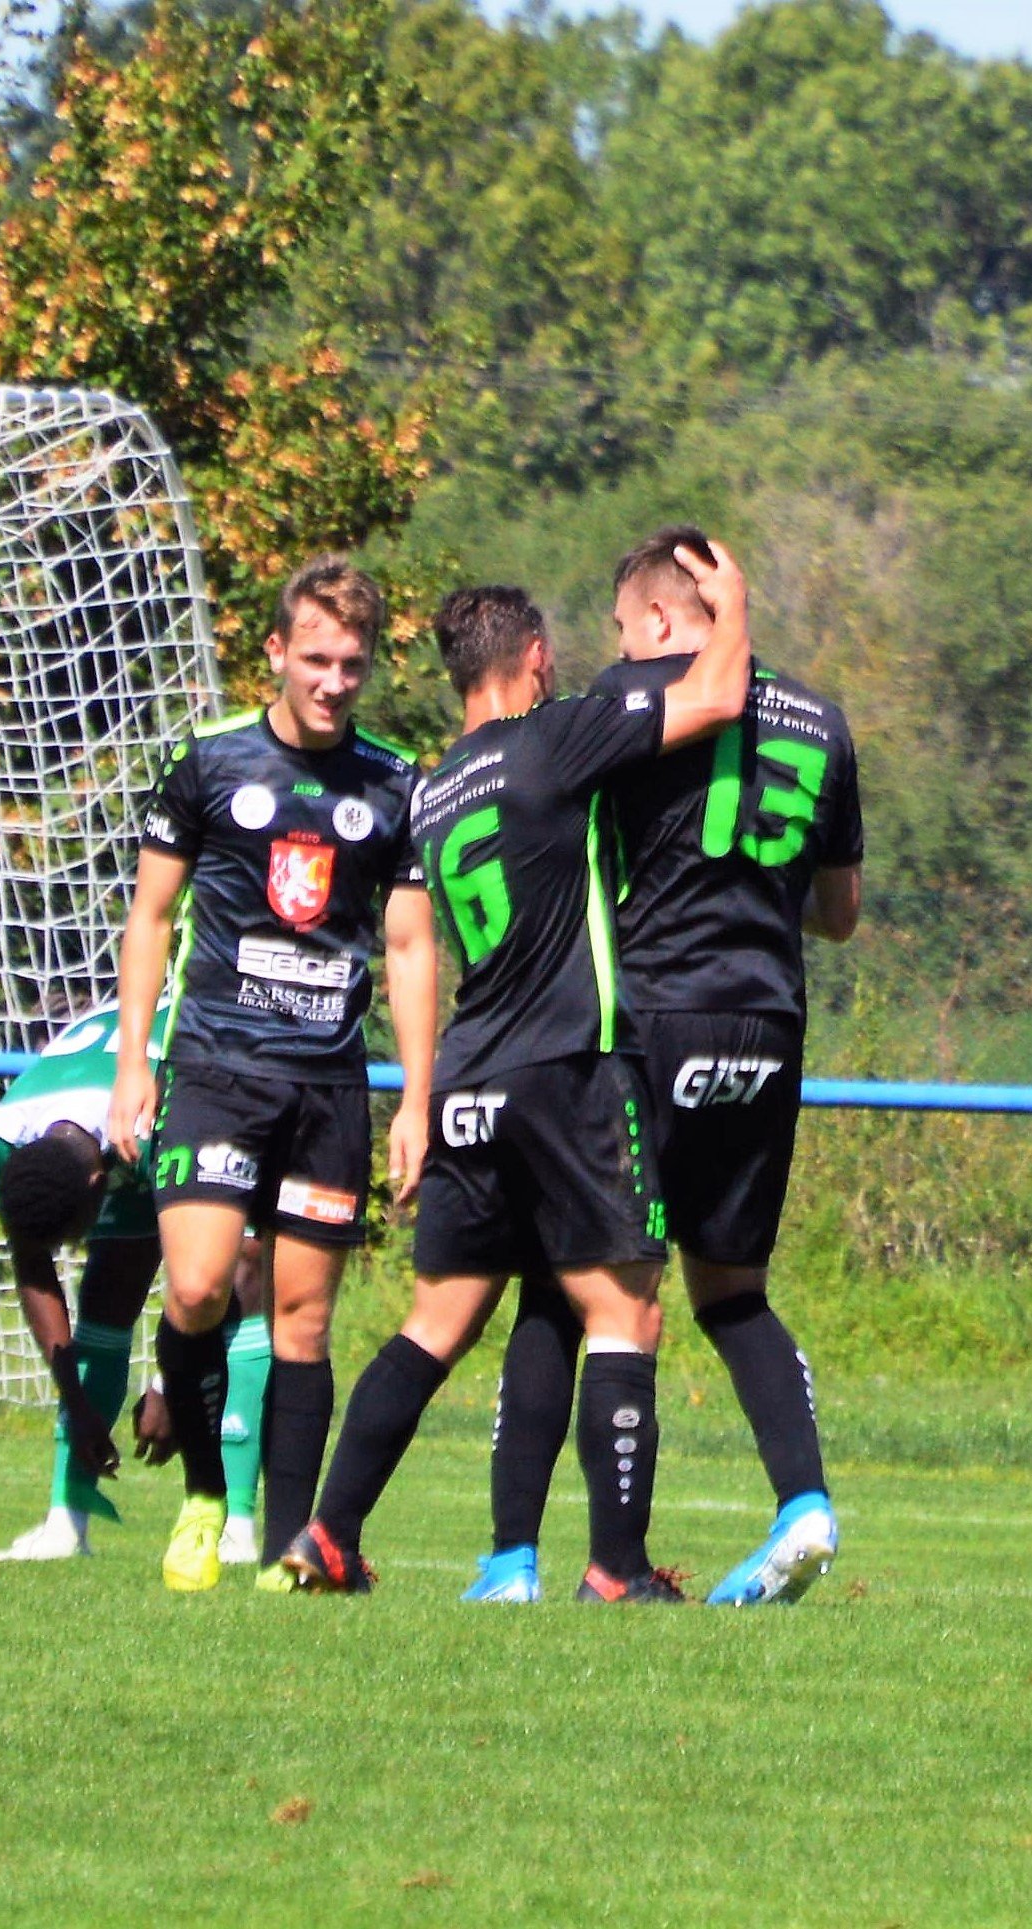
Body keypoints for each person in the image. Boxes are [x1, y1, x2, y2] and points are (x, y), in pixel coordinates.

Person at [283, 550, 751, 1602]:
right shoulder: (553, 736)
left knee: (436, 1323)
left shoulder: (432, 791)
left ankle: (328, 1531)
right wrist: (731, 602)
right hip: (568, 1066)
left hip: (470, 1078)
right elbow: (719, 695)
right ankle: (617, 1568)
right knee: (624, 1314)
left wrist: (417, 1099)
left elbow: (412, 943)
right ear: (535, 659)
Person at [469, 527, 861, 1606]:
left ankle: (538, 1560)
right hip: (767, 1025)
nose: (616, 645)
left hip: (650, 1019)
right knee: (731, 1292)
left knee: (572, 1286)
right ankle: (803, 1503)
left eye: (620, 625)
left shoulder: (630, 694)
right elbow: (839, 913)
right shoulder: (822, 720)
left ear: (654, 617)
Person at [105, 556, 436, 1591]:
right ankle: (205, 1495)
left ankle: (294, 1545)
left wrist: (414, 1098)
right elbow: (150, 917)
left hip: (326, 1086)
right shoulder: (210, 763)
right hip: (215, 1066)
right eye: (317, 659)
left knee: (301, 1317)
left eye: (353, 664)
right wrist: (131, 1063)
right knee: (198, 1285)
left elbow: (409, 946)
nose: (334, 681)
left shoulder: (394, 783)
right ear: (277, 652)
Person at [0, 991, 270, 1564]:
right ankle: (67, 1521)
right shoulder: (7, 1138)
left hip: (220, 1079)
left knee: (245, 1268)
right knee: (108, 1289)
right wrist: (76, 1400)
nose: (73, 1247)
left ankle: (236, 1526)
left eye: (74, 1235)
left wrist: (171, 1384)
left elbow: (209, 1271)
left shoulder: (157, 1112)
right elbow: (32, 1264)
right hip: (126, 1122)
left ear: (98, 1187)